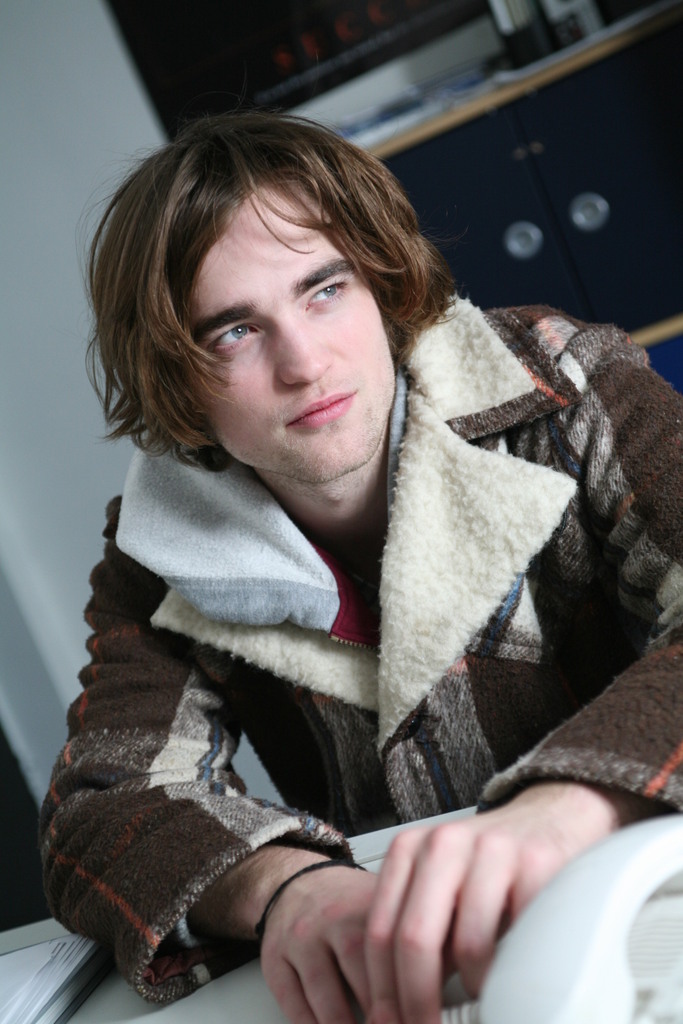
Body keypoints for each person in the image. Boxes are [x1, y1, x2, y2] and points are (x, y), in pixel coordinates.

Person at [40, 109, 683, 1024]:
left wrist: (571, 802)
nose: (304, 363)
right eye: (232, 331)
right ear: (173, 376)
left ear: (380, 283)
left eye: (323, 288)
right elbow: (103, 803)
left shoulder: (560, 385)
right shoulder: (163, 545)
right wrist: (285, 886)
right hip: (404, 976)